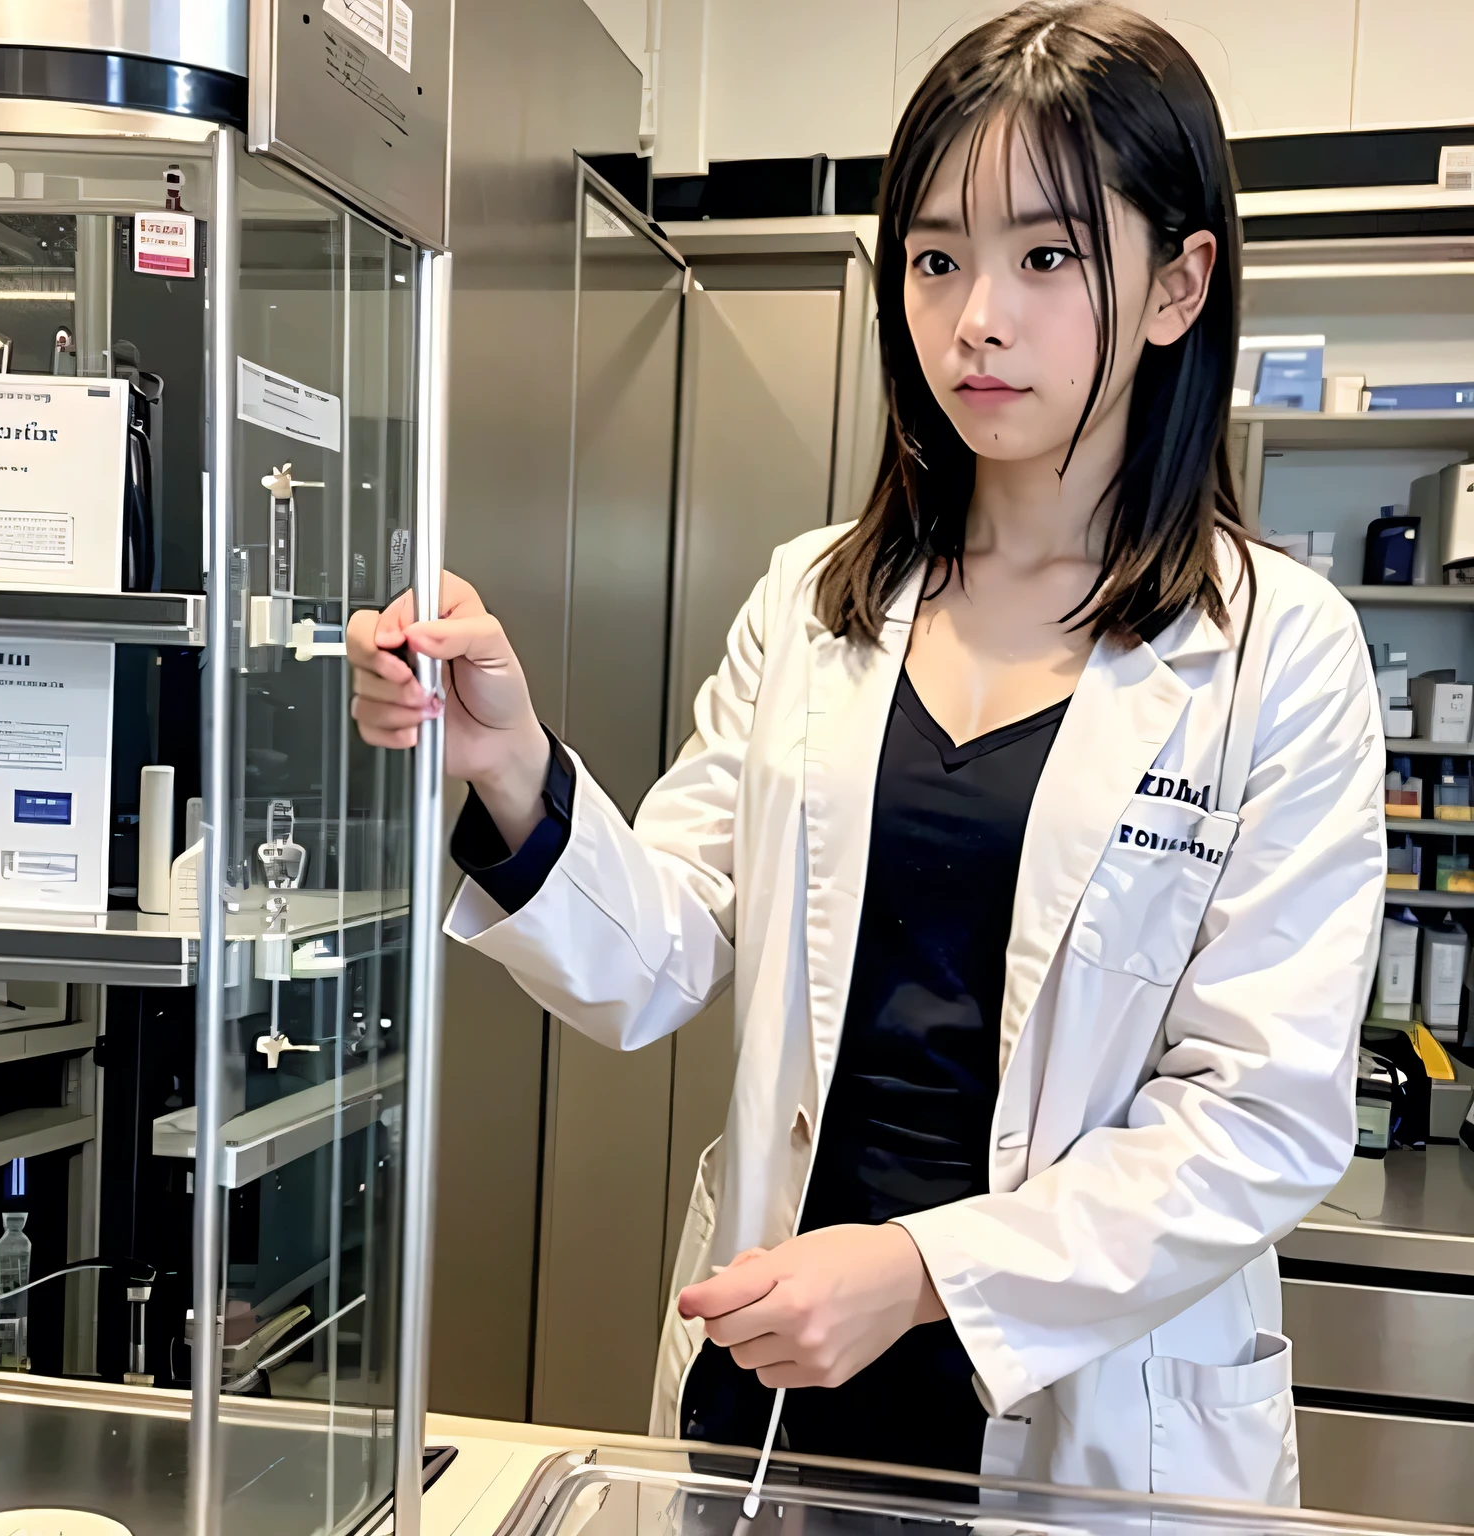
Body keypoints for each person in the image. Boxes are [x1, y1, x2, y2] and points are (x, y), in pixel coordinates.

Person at [347, 0, 1385, 1505]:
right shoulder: (814, 597)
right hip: (781, 1365)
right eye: (936, 256)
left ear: (1178, 283)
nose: (977, 316)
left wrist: (916, 1271)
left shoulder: (1279, 653)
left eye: (1046, 256)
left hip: (1077, 1401)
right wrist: (507, 765)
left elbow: (1261, 1112)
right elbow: (662, 956)